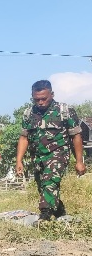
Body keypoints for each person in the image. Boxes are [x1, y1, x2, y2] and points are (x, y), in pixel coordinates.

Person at [16, 80, 85, 221]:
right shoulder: (28, 113)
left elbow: (76, 136)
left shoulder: (64, 111)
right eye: (36, 99)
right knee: (44, 187)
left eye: (44, 98)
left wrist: (79, 161)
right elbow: (24, 138)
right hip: (38, 157)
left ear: (52, 94)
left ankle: (45, 216)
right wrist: (19, 160)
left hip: (59, 154)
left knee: (50, 181)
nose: (40, 102)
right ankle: (59, 211)